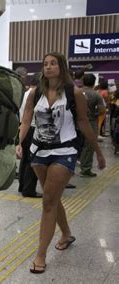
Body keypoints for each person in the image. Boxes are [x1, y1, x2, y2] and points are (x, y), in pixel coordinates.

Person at [16, 52, 105, 274]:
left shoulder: (73, 93)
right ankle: (66, 234)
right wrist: (18, 143)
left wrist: (98, 152)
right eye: (45, 63)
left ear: (61, 67)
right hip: (38, 150)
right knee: (52, 198)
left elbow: (84, 123)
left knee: (48, 201)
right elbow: (26, 119)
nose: (48, 67)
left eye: (53, 63)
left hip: (64, 151)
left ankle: (41, 254)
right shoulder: (35, 93)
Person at [17, 74, 42, 198]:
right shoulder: (36, 94)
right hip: (32, 129)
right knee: (32, 162)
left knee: (25, 159)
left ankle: (22, 186)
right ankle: (29, 189)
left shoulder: (25, 93)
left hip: (23, 127)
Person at [79, 74, 106, 177]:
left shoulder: (77, 92)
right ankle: (85, 169)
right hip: (90, 122)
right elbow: (102, 110)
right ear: (94, 83)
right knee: (88, 146)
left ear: (83, 82)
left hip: (74, 122)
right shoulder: (96, 95)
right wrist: (94, 114)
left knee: (74, 145)